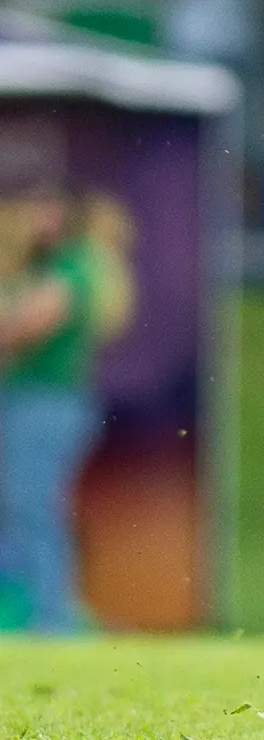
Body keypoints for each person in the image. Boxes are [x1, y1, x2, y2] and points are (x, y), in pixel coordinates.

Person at [0, 180, 122, 633]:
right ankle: (41, 610)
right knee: (27, 508)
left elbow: (27, 325)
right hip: (37, 400)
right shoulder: (52, 266)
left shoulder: (69, 268)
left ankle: (51, 616)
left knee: (33, 507)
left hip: (46, 403)